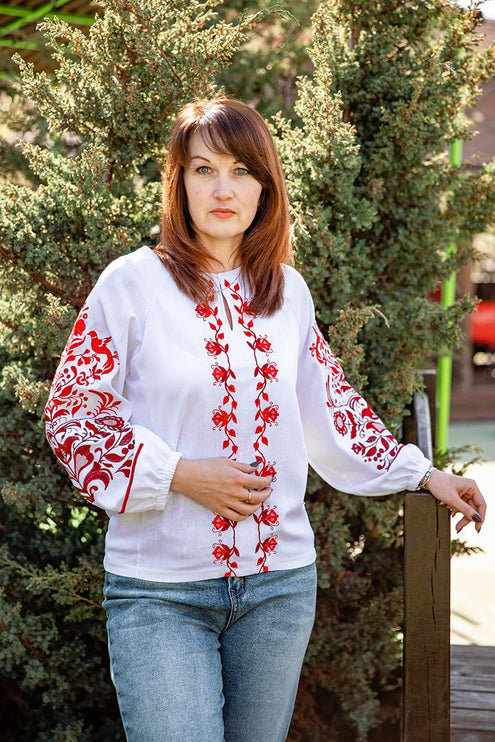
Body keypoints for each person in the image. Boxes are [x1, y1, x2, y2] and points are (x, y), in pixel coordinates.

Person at [44, 97, 486, 742]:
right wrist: (179, 475)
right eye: (203, 170)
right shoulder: (129, 285)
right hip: (160, 590)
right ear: (178, 183)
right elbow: (74, 415)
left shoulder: (287, 291)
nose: (223, 189)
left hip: (279, 587)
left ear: (266, 185)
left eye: (242, 170)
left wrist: (423, 476)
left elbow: (330, 408)